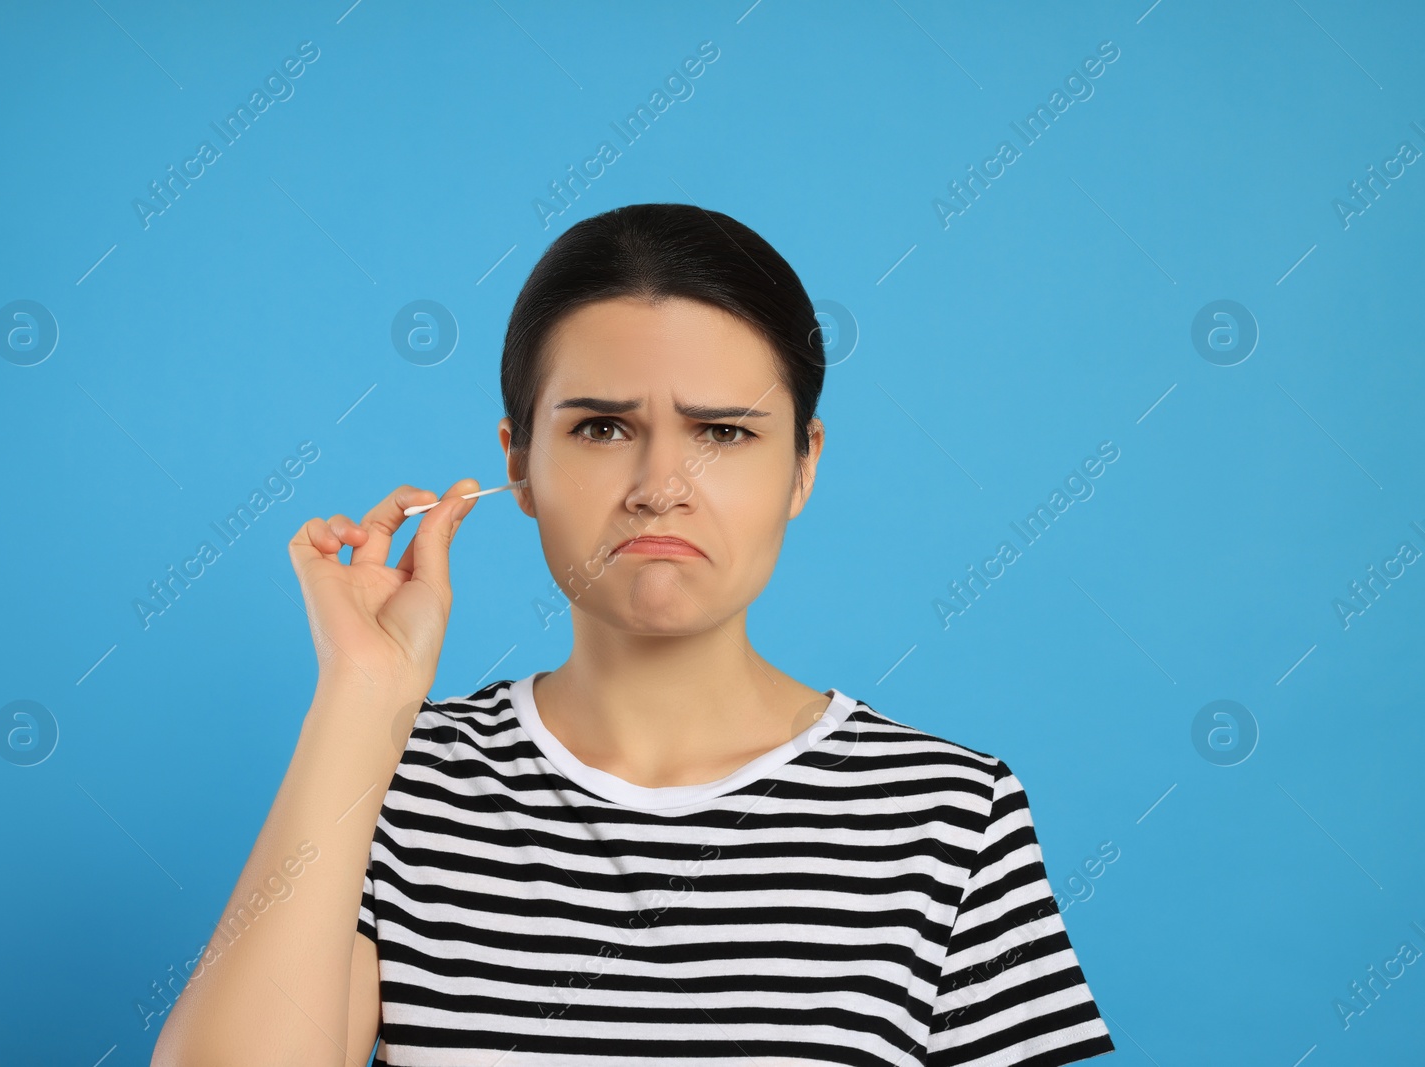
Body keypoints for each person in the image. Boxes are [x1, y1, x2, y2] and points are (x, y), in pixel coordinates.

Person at [152, 203, 1116, 1066]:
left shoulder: (950, 815)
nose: (661, 484)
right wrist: (359, 698)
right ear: (519, 465)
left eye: (725, 432)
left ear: (801, 465)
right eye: (604, 428)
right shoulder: (396, 785)